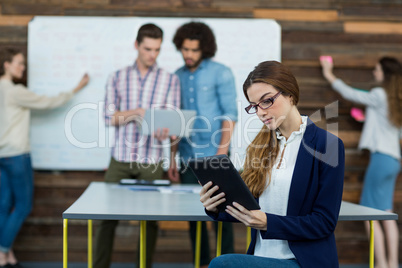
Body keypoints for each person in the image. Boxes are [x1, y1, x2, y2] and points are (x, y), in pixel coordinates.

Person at [199, 60, 345, 268]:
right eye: (254, 106)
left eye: (266, 101)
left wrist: (268, 222)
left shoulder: (327, 145)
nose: (260, 112)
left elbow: (324, 223)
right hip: (261, 256)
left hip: (302, 261)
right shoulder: (260, 146)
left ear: (290, 95)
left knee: (222, 264)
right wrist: (214, 205)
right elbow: (249, 208)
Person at [93, 23, 180, 268]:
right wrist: (138, 113)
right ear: (136, 46)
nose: (152, 54)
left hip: (151, 160)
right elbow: (109, 118)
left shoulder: (170, 80)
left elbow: (173, 124)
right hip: (120, 159)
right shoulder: (117, 77)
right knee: (106, 219)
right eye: (148, 48)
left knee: (149, 221)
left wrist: (169, 141)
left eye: (157, 50)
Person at [0, 48, 89, 268]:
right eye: (19, 63)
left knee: (3, 206)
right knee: (23, 206)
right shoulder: (14, 91)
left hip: (1, 156)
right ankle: (1, 252)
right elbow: (48, 102)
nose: (23, 68)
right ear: (6, 64)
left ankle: (8, 255)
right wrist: (76, 89)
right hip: (17, 156)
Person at [320, 56, 402, 268]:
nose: (375, 73)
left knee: (369, 213)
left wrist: (329, 74)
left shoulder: (378, 94)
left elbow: (351, 94)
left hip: (381, 158)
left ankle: (382, 265)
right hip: (393, 160)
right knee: (386, 213)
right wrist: (368, 121)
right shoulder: (396, 99)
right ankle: (393, 264)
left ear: (385, 73)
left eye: (377, 70)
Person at [171, 21, 237, 267]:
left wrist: (221, 155)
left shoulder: (221, 72)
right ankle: (201, 263)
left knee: (224, 216)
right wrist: (173, 157)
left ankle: (227, 263)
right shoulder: (176, 76)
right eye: (185, 49)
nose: (188, 55)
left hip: (216, 156)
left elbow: (230, 115)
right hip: (188, 158)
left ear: (204, 49)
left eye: (194, 50)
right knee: (195, 218)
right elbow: (176, 121)